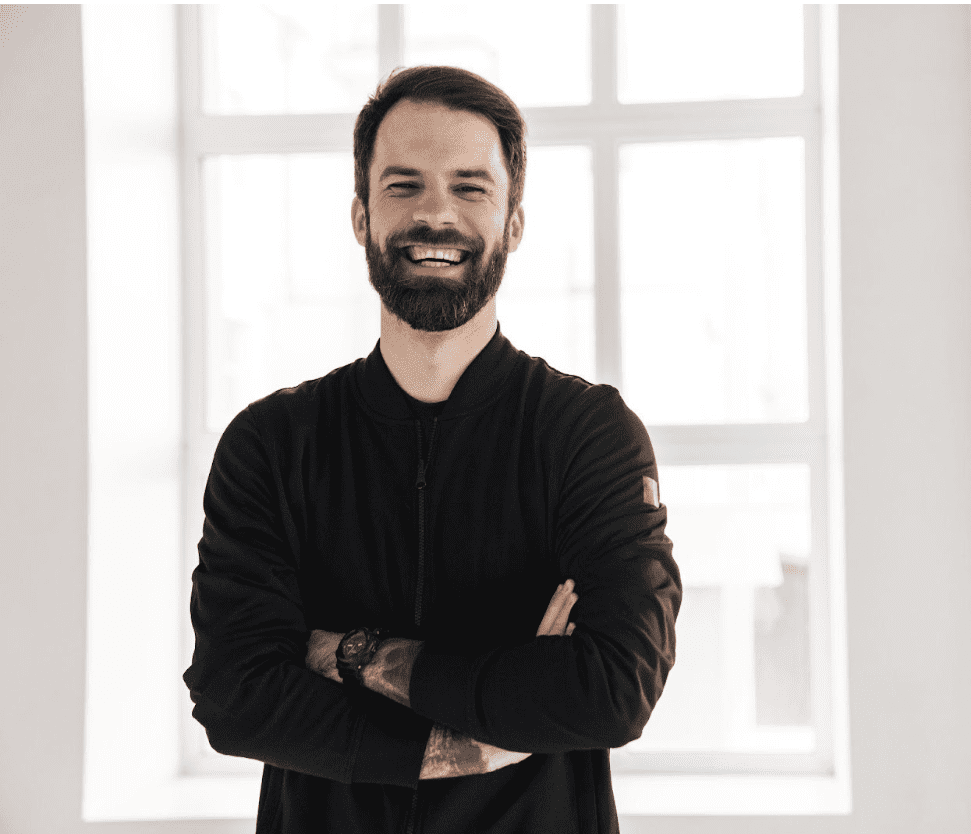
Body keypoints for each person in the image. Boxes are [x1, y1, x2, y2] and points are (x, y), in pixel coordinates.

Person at [183, 65, 681, 834]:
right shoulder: (272, 444)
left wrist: (350, 655)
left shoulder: (589, 435)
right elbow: (235, 696)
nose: (435, 215)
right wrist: (472, 739)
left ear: (514, 223)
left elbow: (612, 689)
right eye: (404, 185)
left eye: (471, 187)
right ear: (361, 216)